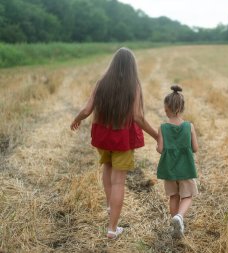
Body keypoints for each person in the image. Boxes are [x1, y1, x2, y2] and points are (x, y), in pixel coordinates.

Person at [70, 48, 158, 239]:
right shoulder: (133, 84)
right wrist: (157, 135)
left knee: (107, 168)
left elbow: (86, 109)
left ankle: (111, 206)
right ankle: (112, 228)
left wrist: (76, 119)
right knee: (118, 181)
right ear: (131, 66)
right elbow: (137, 116)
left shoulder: (102, 82)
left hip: (103, 136)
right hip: (122, 139)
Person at [156, 85, 199, 239]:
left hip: (169, 170)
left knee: (174, 196)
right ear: (181, 108)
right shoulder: (189, 126)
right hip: (186, 168)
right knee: (187, 196)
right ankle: (180, 217)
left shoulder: (163, 128)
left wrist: (166, 146)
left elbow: (160, 149)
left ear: (167, 108)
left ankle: (176, 226)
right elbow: (195, 148)